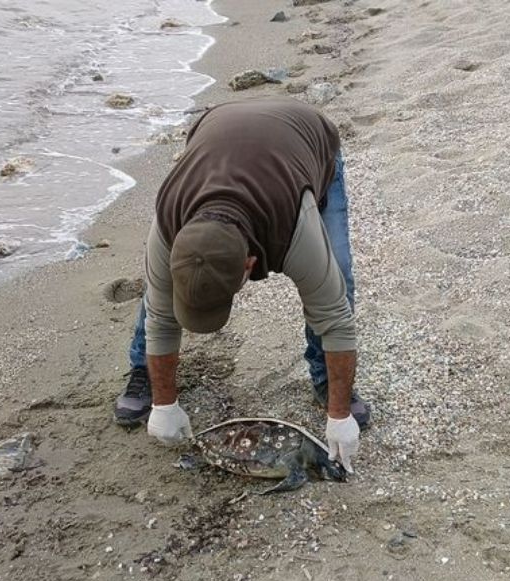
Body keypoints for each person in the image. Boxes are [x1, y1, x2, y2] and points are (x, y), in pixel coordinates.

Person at [113, 98, 370, 471]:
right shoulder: (169, 224)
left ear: (250, 266)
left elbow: (334, 319)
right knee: (160, 290)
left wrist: (340, 415)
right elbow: (161, 315)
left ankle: (324, 378)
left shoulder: (296, 227)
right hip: (215, 133)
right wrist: (165, 404)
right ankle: (143, 371)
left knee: (338, 277)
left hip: (305, 140)